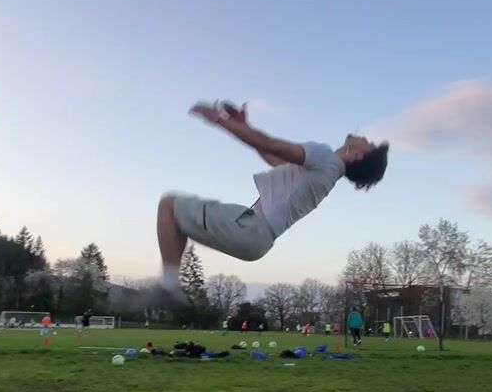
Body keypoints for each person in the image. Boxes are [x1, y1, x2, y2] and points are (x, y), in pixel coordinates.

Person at [157, 101, 388, 297]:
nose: (365, 137)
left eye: (369, 144)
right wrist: (244, 127)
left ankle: (168, 289)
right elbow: (272, 156)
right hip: (258, 243)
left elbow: (269, 144)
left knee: (168, 205)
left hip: (250, 230)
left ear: (357, 155)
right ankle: (170, 288)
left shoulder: (325, 157)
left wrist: (220, 120)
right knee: (177, 219)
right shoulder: (326, 174)